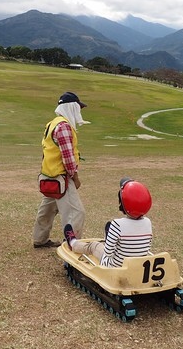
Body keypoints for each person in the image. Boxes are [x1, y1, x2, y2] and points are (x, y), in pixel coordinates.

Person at [32, 91, 89, 248]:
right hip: (61, 177)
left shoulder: (51, 124)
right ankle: (72, 246)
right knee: (77, 213)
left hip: (48, 174)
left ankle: (39, 239)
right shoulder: (64, 127)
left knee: (47, 209)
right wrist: (75, 177)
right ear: (71, 107)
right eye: (78, 107)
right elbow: (68, 157)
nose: (80, 111)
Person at [63, 178, 153, 267]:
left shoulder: (117, 224)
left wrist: (110, 245)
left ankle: (73, 243)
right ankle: (111, 237)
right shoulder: (148, 222)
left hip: (115, 266)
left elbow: (108, 253)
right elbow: (146, 247)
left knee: (94, 245)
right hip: (137, 266)